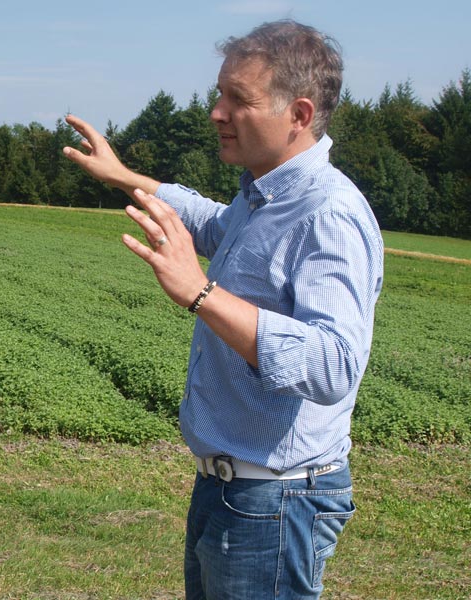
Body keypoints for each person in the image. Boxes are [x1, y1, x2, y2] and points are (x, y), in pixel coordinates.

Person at [62, 19, 384, 600]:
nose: (216, 111)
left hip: (278, 498)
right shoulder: (261, 195)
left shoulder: (328, 213)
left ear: (299, 115)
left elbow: (334, 364)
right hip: (230, 487)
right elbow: (214, 223)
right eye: (220, 93)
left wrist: (201, 294)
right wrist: (125, 177)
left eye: (239, 99)